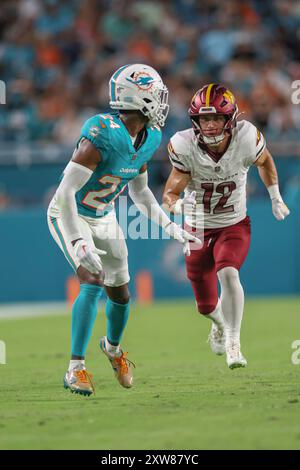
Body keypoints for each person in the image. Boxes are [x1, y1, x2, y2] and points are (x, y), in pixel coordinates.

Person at [47, 64, 200, 396]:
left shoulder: (149, 136)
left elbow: (141, 192)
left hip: (103, 214)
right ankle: (76, 369)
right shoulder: (102, 133)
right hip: (69, 213)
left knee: (121, 292)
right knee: (91, 279)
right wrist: (77, 241)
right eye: (156, 95)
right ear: (138, 97)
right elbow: (64, 194)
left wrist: (170, 228)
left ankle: (113, 350)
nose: (162, 102)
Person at [162, 83, 290, 369]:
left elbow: (265, 160)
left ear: (229, 118)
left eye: (216, 118)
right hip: (195, 229)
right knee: (205, 306)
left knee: (229, 273)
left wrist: (275, 197)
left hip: (234, 224)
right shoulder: (184, 146)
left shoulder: (246, 138)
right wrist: (176, 204)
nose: (209, 125)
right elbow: (170, 193)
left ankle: (234, 343)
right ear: (195, 122)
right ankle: (218, 324)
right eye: (204, 119)